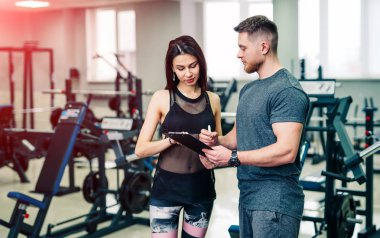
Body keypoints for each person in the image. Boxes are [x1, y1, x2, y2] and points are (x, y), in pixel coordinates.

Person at [199, 15, 309, 238]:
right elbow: (236, 139)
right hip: (248, 196)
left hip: (275, 202)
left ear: (264, 46)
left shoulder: (287, 91)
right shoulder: (248, 91)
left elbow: (287, 151)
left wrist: (231, 157)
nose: (238, 54)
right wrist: (215, 142)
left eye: (243, 48)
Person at [135, 35, 222, 238]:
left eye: (193, 66)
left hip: (201, 190)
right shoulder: (162, 98)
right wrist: (172, 140)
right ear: (172, 70)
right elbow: (141, 149)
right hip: (166, 190)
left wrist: (213, 142)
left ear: (201, 63)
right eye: (180, 69)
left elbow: (220, 145)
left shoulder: (213, 100)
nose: (188, 73)